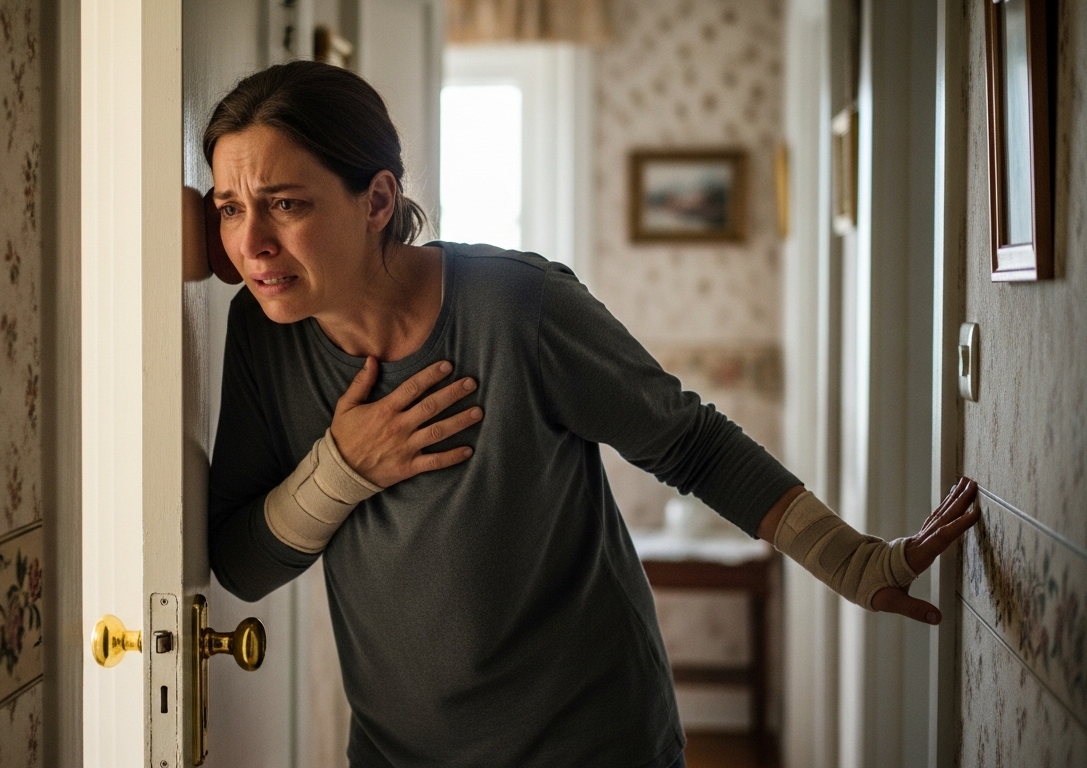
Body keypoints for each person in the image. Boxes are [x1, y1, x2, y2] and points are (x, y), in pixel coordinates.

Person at [204, 61, 978, 768]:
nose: (251, 243)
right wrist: (340, 470)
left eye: (285, 204)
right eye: (229, 209)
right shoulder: (263, 337)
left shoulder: (515, 306)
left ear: (376, 200)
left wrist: (852, 561)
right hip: (397, 754)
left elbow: (693, 444)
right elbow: (241, 564)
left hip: (591, 742)